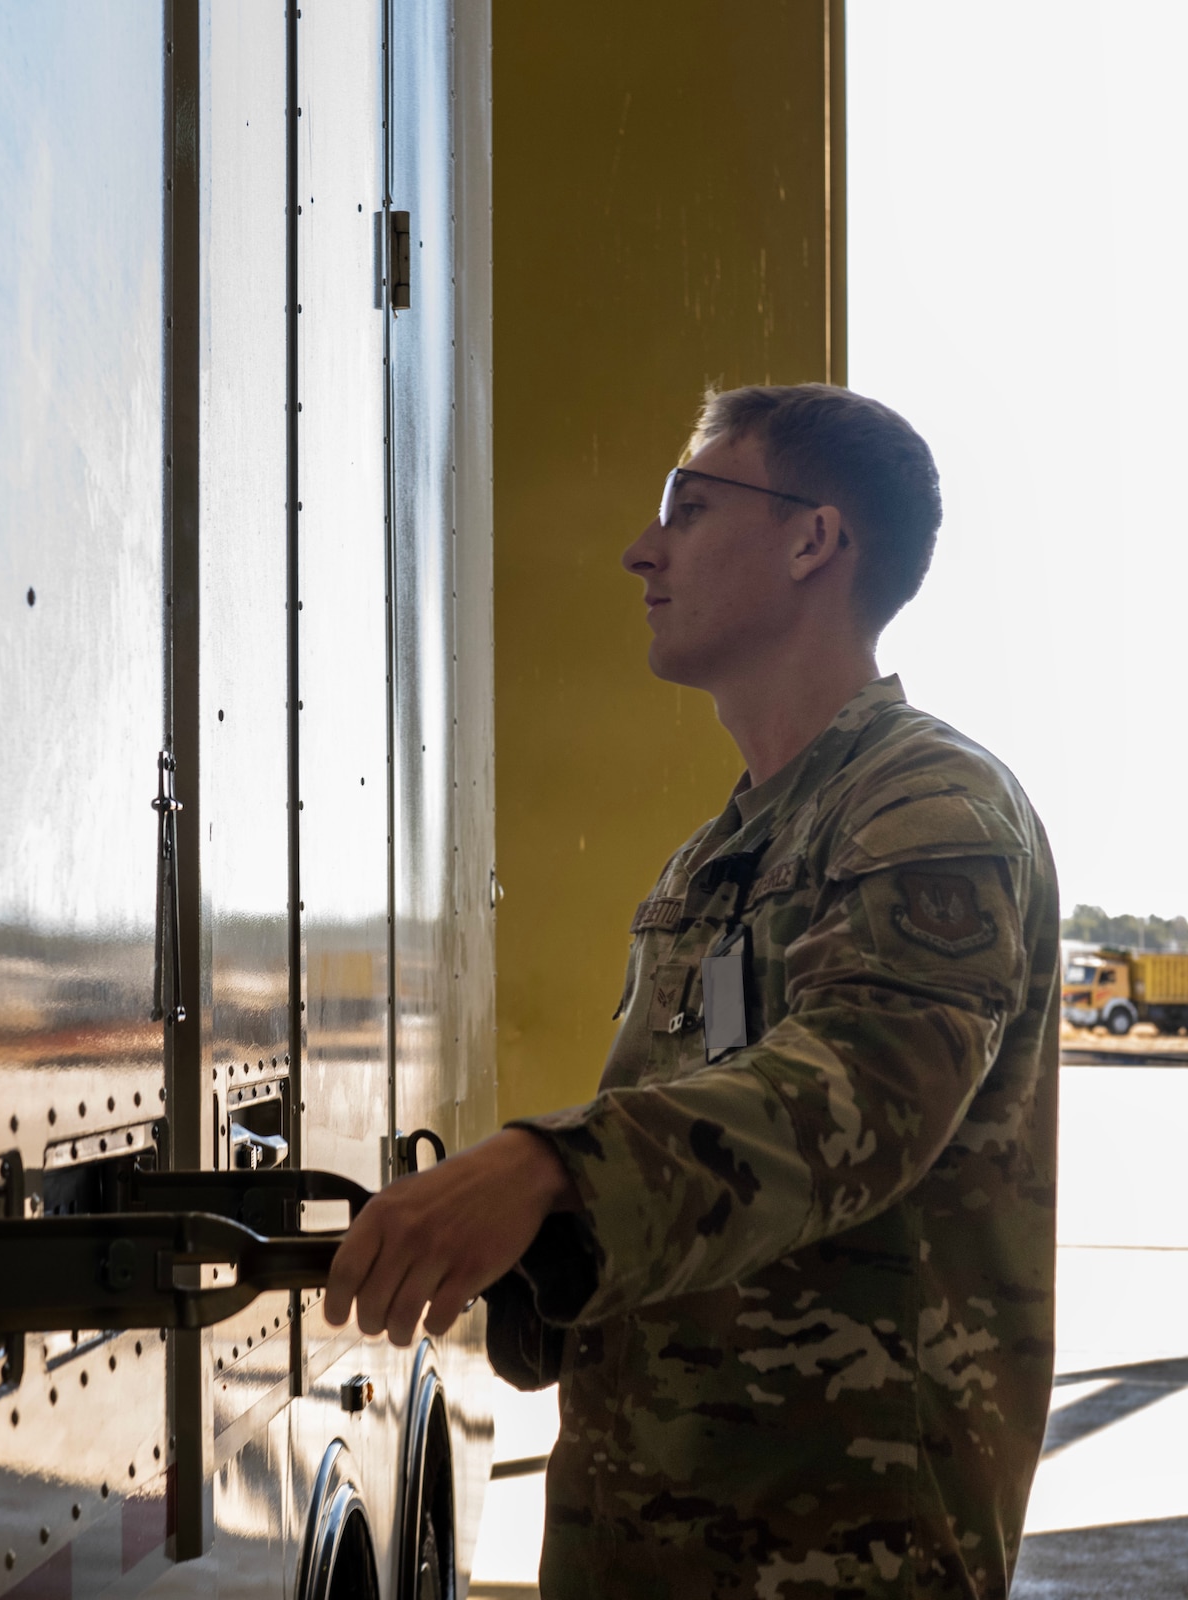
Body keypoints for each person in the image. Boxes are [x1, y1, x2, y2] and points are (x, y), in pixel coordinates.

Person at [325, 384, 1059, 1598]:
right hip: (652, 1535)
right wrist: (527, 1246)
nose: (639, 549)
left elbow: (857, 1097)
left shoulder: (929, 807)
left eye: (689, 504)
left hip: (832, 1554)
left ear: (811, 540)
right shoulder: (719, 851)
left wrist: (546, 1166)